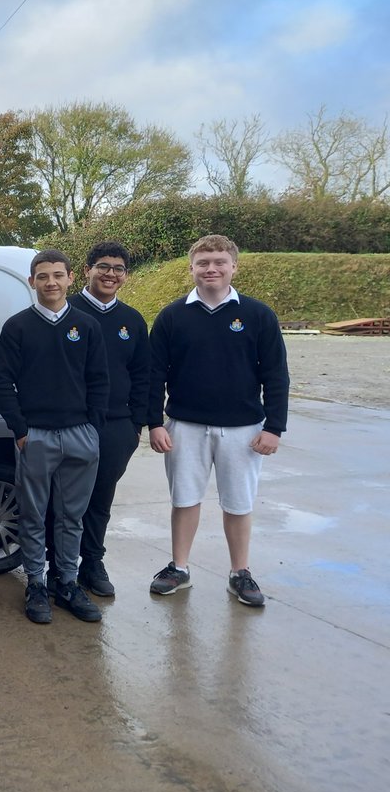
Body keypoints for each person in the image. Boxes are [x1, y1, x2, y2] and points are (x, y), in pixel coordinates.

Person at [147, 234, 289, 607]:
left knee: (239, 503)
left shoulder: (258, 315)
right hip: (185, 426)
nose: (211, 269)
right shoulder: (173, 316)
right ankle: (179, 567)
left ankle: (239, 573)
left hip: (243, 429)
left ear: (233, 267)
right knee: (185, 499)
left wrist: (274, 427)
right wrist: (154, 422)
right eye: (203, 262)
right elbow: (153, 374)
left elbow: (276, 374)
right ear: (191, 268)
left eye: (219, 262)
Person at [0, 249, 109, 625]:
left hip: (79, 435)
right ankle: (37, 584)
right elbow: (1, 381)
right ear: (32, 281)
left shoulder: (87, 326)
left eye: (58, 275)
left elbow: (98, 381)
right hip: (37, 436)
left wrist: (93, 428)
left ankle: (69, 583)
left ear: (70, 278)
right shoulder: (17, 327)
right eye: (43, 276)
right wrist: (21, 429)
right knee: (32, 514)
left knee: (71, 516)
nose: (51, 283)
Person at [55, 241, 150, 597]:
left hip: (116, 426)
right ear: (87, 270)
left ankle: (92, 563)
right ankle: (57, 567)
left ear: (125, 275)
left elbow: (143, 374)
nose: (111, 274)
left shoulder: (132, 321)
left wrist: (135, 425)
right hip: (71, 423)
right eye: (104, 266)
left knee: (100, 499)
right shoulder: (65, 311)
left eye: (118, 268)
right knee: (62, 500)